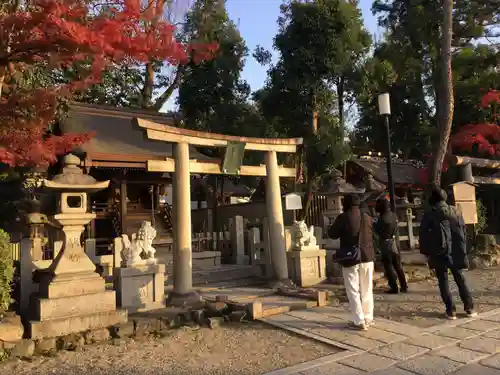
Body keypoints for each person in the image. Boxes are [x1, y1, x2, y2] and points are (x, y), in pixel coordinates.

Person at [419, 187, 476, 320]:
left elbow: (423, 235)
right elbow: (464, 231)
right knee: (460, 278)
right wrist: (463, 249)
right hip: (455, 251)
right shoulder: (455, 211)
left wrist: (426, 252)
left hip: (439, 252)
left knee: (443, 280)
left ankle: (451, 310)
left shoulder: (430, 214)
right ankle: (469, 308)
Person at [328, 194, 376, 331]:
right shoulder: (367, 217)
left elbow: (332, 234)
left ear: (345, 203)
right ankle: (368, 317)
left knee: (353, 289)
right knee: (367, 288)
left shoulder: (343, 218)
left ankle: (358, 320)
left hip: (350, 258)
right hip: (367, 256)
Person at [374, 197, 408, 294]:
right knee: (398, 266)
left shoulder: (382, 219)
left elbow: (377, 231)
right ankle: (404, 285)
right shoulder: (394, 215)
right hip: (394, 242)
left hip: (386, 243)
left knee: (388, 266)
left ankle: (394, 287)